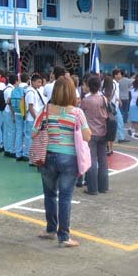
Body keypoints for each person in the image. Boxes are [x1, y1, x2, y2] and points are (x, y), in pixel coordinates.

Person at [33, 76, 91, 246]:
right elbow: (87, 136)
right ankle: (64, 237)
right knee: (65, 197)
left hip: (48, 156)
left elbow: (33, 132)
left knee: (50, 194)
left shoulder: (45, 110)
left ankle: (51, 229)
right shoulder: (77, 113)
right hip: (70, 158)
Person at [80, 76, 109, 194]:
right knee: (103, 161)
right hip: (103, 131)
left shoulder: (86, 101)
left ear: (89, 86)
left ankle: (92, 188)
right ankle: (103, 187)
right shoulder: (104, 99)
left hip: (90, 133)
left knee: (91, 160)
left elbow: (81, 113)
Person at [21, 73, 46, 162]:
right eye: (38, 82)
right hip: (32, 119)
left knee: (31, 137)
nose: (40, 84)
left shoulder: (32, 91)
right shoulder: (31, 92)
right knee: (30, 137)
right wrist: (37, 119)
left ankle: (28, 154)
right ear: (32, 82)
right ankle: (27, 155)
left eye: (41, 82)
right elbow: (31, 107)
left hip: (32, 118)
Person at [11, 73, 30, 160]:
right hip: (25, 114)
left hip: (17, 113)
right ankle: (26, 153)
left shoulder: (15, 89)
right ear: (28, 80)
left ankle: (18, 153)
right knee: (26, 133)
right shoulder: (27, 89)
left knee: (18, 133)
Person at [1, 74, 16, 158]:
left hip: (5, 111)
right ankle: (11, 150)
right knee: (11, 131)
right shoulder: (11, 90)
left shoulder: (6, 88)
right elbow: (9, 102)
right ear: (16, 81)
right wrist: (13, 115)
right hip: (9, 111)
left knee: (6, 131)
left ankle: (7, 149)